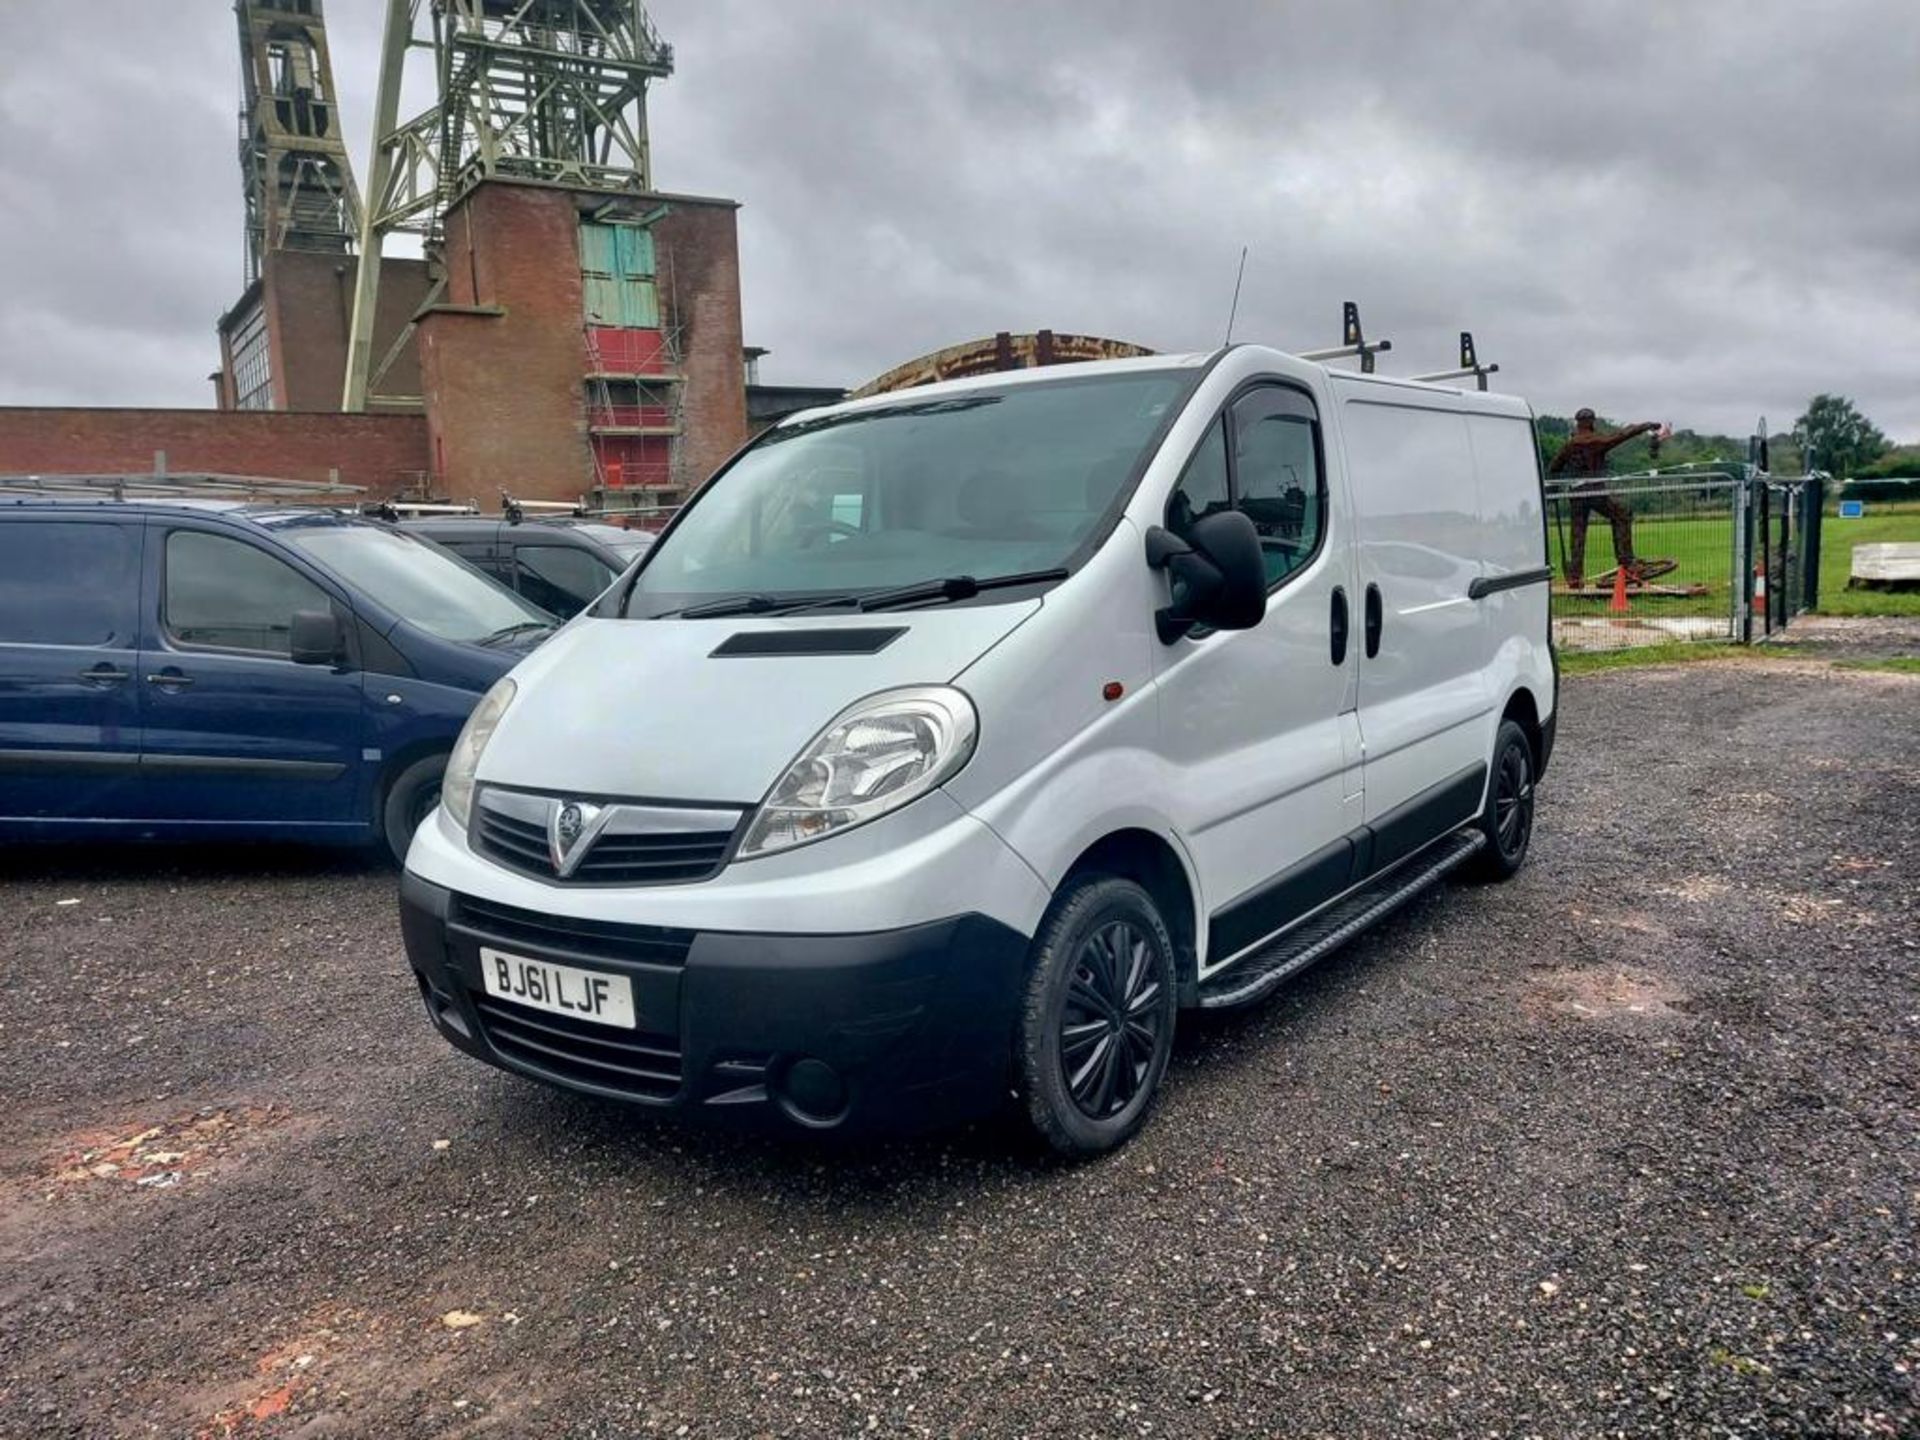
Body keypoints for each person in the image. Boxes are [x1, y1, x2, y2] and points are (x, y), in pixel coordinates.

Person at [1549, 408, 1673, 588]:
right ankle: (1627, 562)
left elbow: (1554, 467)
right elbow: (1624, 434)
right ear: (1592, 422)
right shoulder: (1598, 440)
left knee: (1577, 533)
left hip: (1575, 494)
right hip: (1595, 492)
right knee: (1622, 513)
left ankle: (1575, 576)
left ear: (1577, 423)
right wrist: (1646, 426)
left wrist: (1554, 488)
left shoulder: (1569, 445)